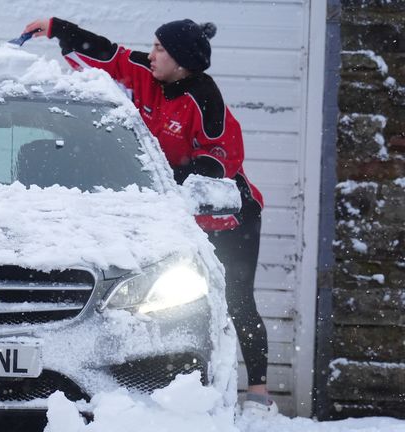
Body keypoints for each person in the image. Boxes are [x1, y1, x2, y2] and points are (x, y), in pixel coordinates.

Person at [22, 17, 276, 416]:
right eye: (153, 46)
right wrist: (57, 28)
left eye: (160, 48)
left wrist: (176, 178)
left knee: (236, 299)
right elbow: (110, 55)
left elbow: (221, 156)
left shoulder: (204, 97)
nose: (151, 54)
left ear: (182, 60)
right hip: (172, 212)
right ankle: (174, 388)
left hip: (227, 213)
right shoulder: (148, 74)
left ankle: (259, 393)